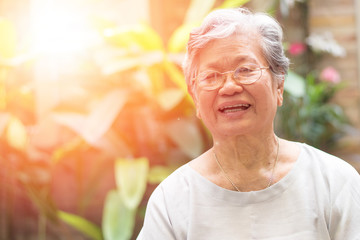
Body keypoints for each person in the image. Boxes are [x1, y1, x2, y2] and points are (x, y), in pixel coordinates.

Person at [137, 8, 360, 240]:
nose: (229, 87)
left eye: (245, 70)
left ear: (279, 86)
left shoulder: (333, 181)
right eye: (211, 76)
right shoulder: (172, 201)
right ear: (195, 98)